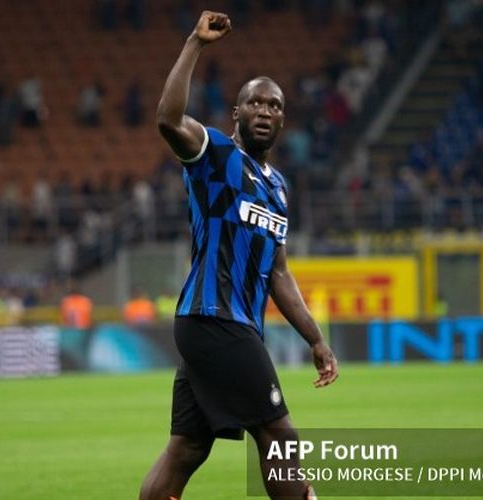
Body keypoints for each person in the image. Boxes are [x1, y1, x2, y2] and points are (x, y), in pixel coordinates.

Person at [139, 12, 338, 500]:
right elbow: (167, 119)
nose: (265, 111)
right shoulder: (216, 154)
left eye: (274, 105)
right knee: (280, 439)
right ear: (237, 113)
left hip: (224, 325)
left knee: (187, 448)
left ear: (283, 119)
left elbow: (279, 271)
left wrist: (315, 338)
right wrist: (194, 44)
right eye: (255, 102)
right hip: (213, 319)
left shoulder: (278, 187)